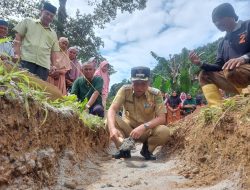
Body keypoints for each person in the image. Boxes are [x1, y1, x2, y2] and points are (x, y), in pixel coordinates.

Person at [189, 3, 250, 107]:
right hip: (232, 75)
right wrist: (200, 63)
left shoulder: (247, 25)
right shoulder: (222, 43)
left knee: (233, 68)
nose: (217, 23)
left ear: (231, 15)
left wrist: (244, 58)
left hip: (242, 71)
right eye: (214, 22)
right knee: (204, 74)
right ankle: (216, 109)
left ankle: (247, 96)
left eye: (220, 18)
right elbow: (218, 66)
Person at [107, 66, 171, 160]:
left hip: (147, 131)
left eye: (143, 83)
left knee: (164, 132)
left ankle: (147, 150)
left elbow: (162, 118)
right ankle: (124, 149)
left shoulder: (156, 94)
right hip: (128, 130)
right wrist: (112, 129)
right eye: (136, 83)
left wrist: (143, 127)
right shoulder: (125, 90)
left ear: (149, 82)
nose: (139, 87)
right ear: (131, 81)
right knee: (108, 122)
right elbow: (112, 109)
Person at [13, 2, 60, 81]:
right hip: (26, 60)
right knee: (21, 84)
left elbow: (54, 52)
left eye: (51, 16)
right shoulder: (28, 22)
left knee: (37, 90)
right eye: (47, 14)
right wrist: (17, 54)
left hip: (43, 67)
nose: (49, 17)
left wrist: (54, 65)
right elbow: (17, 39)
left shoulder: (53, 34)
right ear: (41, 11)